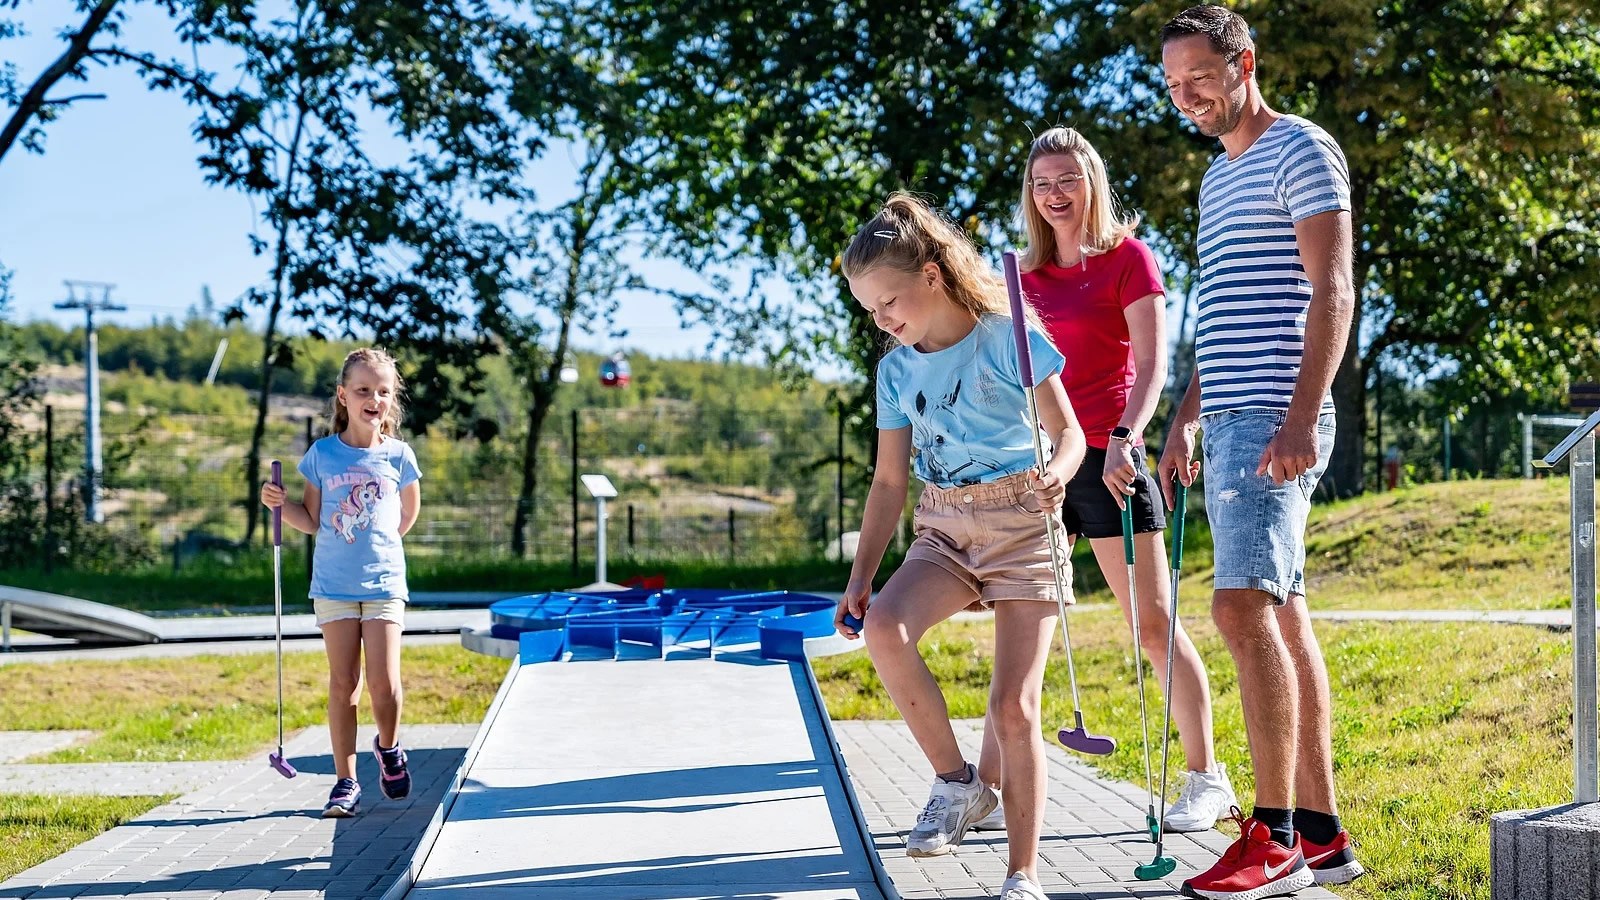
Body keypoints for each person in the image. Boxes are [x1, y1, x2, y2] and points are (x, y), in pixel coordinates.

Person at [1158, 5, 1363, 897]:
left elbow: (1334, 291)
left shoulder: (1302, 149)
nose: (1188, 96)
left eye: (1201, 76)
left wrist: (1299, 419)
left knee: (1240, 612)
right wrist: (1186, 412)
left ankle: (1270, 841)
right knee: (1280, 616)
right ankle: (1320, 836)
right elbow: (1229, 315)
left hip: (1277, 419)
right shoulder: (1215, 179)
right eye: (1173, 84)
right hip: (1232, 413)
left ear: (1246, 63)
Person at [834, 192, 1086, 900]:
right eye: (870, 311)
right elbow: (888, 484)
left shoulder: (1008, 335)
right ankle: (957, 785)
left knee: (1012, 709)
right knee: (884, 627)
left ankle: (1023, 874)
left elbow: (1069, 435)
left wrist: (1057, 477)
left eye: (888, 302)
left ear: (932, 277)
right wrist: (862, 575)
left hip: (1021, 522)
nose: (882, 321)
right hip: (944, 524)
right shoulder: (896, 371)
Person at [1000, 125, 1235, 834]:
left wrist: (1128, 438)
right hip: (1048, 462)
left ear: (1092, 182)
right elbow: (1021, 380)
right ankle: (986, 782)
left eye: (1067, 179)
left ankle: (1207, 778)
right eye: (1042, 184)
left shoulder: (1128, 259)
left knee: (1155, 625)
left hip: (1114, 460)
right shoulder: (1024, 281)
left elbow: (1155, 363)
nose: (1055, 194)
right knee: (1023, 623)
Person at [261, 347, 422, 818]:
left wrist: (381, 546)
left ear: (391, 400)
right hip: (332, 586)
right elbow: (310, 520)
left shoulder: (399, 455)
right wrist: (277, 504)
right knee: (343, 684)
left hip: (384, 584)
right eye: (364, 390)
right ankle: (345, 781)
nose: (375, 399)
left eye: (383, 392)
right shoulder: (323, 455)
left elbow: (407, 513)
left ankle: (389, 748)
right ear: (343, 396)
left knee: (384, 684)